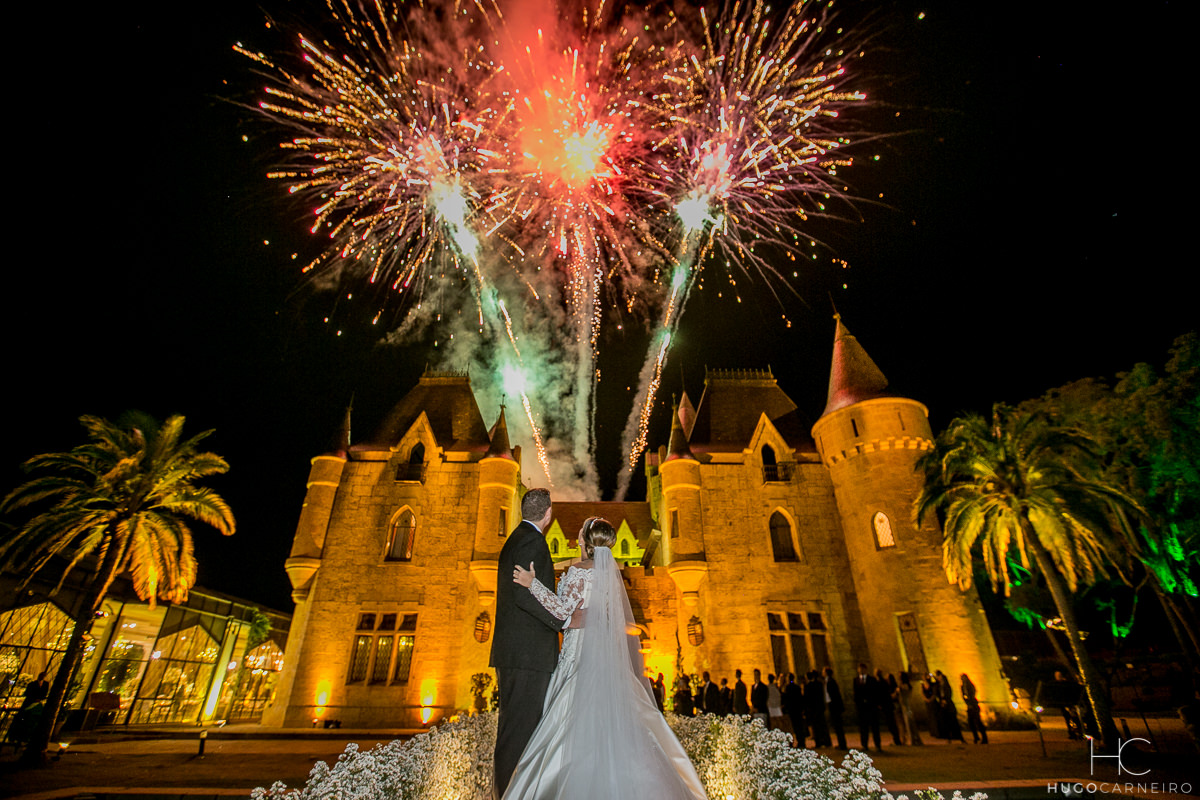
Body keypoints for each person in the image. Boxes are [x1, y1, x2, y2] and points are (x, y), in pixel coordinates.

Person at [505, 517, 707, 799]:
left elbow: (562, 612)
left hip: (578, 656)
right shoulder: (611, 578)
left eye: (579, 532)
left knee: (567, 722)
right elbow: (608, 617)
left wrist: (532, 584)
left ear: (585, 542)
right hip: (607, 660)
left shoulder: (577, 573)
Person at [491, 488, 564, 799]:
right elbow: (524, 594)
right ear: (548, 514)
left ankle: (508, 791)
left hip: (516, 652)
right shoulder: (533, 540)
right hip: (527, 654)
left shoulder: (515, 539)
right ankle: (507, 793)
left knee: (514, 729)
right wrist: (560, 622)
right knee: (518, 732)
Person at [853, 663, 882, 752]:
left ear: (865, 670)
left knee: (875, 727)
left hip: (871, 706)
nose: (861, 671)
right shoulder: (856, 680)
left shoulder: (872, 679)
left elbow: (876, 692)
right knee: (863, 727)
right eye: (860, 669)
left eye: (862, 669)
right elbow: (855, 693)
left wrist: (875, 703)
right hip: (862, 707)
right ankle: (864, 745)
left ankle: (878, 745)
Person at [823, 666, 847, 749]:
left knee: (838, 726)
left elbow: (835, 695)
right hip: (832, 705)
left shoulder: (831, 681)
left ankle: (842, 744)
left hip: (834, 706)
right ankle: (841, 743)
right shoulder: (828, 681)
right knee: (837, 726)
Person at [960, 673, 988, 744]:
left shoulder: (970, 686)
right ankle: (976, 737)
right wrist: (966, 701)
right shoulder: (962, 687)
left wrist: (971, 702)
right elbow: (963, 695)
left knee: (978, 722)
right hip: (969, 706)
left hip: (974, 705)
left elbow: (972, 694)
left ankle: (984, 738)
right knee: (971, 723)